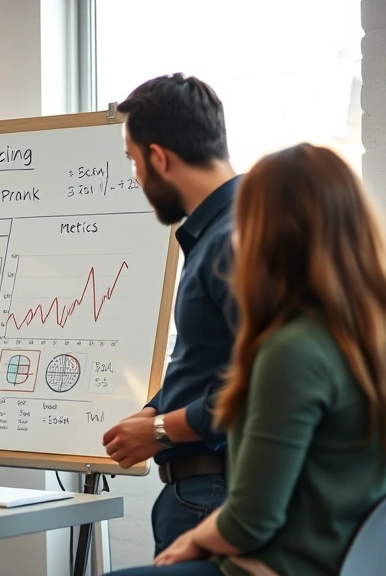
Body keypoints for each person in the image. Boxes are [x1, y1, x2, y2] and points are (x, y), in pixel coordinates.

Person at [108, 144, 386, 575]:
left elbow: (251, 520)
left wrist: (193, 538)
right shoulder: (365, 337)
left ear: (269, 231)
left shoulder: (293, 350)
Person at [101, 73, 239, 554]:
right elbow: (211, 362)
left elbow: (263, 386)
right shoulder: (221, 233)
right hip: (201, 492)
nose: (136, 177)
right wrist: (156, 409)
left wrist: (159, 429)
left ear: (158, 158)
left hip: (215, 493)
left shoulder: (232, 241)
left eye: (134, 162)